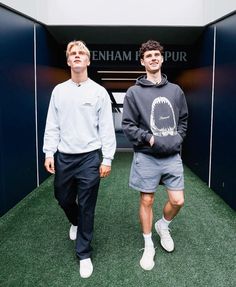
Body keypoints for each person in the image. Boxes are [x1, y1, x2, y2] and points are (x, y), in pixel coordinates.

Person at [43, 40, 116, 278]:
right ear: (67, 61)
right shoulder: (59, 91)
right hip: (64, 156)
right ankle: (74, 221)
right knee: (63, 198)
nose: (76, 56)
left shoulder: (98, 92)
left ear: (88, 60)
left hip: (89, 158)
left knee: (87, 206)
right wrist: (48, 152)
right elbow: (52, 125)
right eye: (72, 53)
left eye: (81, 53)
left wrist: (107, 158)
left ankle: (84, 253)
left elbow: (106, 128)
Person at [122, 40, 188, 271]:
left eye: (156, 55)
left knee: (178, 200)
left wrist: (177, 138)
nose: (153, 58)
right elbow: (128, 125)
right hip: (146, 156)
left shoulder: (175, 90)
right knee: (147, 200)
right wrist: (149, 138)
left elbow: (183, 121)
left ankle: (163, 225)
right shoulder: (133, 92)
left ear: (162, 59)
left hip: (172, 155)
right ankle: (148, 245)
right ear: (142, 61)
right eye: (148, 55)